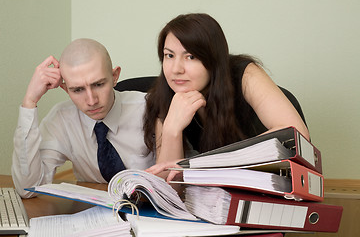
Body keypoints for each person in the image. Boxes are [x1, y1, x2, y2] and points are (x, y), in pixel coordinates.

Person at [144, 13, 310, 181]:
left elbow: (295, 134)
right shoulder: (164, 97)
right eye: (169, 56)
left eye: (191, 57)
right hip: (222, 196)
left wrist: (203, 164)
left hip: (278, 184)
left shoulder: (244, 74)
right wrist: (172, 130)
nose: (176, 69)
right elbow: (168, 191)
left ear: (213, 60)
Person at [12, 38, 155, 198]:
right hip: (94, 214)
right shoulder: (62, 118)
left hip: (149, 212)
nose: (91, 101)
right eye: (78, 90)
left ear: (115, 76)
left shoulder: (149, 108)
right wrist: (29, 101)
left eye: (99, 84)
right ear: (66, 89)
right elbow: (28, 189)